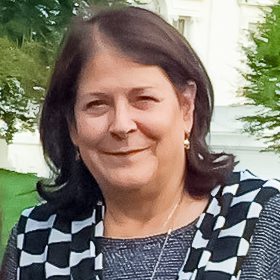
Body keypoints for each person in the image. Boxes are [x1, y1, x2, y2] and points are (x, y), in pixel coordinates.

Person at [1, 6, 280, 280]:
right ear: (72, 125)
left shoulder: (263, 221)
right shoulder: (36, 241)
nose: (122, 125)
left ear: (186, 107)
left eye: (143, 99)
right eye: (97, 104)